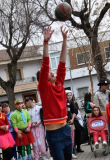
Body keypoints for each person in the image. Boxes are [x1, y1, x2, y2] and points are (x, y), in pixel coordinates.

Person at [36, 26, 72, 160]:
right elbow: (45, 64)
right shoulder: (44, 88)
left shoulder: (59, 84)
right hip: (54, 133)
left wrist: (65, 39)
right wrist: (45, 42)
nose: (53, 72)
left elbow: (62, 62)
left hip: (66, 129)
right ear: (45, 78)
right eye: (50, 73)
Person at [65, 92, 77, 159]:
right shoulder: (60, 102)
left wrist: (72, 119)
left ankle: (72, 152)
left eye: (70, 95)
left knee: (71, 138)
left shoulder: (70, 102)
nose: (69, 96)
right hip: (63, 124)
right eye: (67, 95)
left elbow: (73, 112)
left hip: (70, 122)